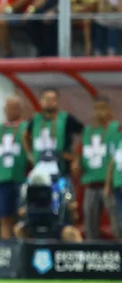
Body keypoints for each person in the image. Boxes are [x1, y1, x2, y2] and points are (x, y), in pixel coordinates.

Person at [79, 96, 118, 240]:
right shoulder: (88, 131)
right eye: (96, 109)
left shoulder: (115, 128)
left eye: (102, 108)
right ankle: (92, 248)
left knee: (116, 220)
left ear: (109, 110)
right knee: (90, 220)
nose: (99, 112)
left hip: (110, 185)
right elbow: (83, 155)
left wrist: (109, 182)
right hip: (91, 184)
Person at [22, 87, 83, 176]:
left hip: (62, 169)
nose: (49, 102)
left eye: (52, 99)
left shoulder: (66, 119)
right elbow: (25, 135)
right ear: (41, 101)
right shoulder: (35, 119)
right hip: (39, 170)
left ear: (57, 101)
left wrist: (75, 157)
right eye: (46, 99)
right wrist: (29, 154)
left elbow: (86, 134)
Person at [0, 96, 28, 240]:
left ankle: (21, 244)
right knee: (4, 216)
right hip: (2, 179)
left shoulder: (26, 128)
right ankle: (6, 245)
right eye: (8, 108)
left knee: (22, 215)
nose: (10, 111)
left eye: (14, 108)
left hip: (21, 179)